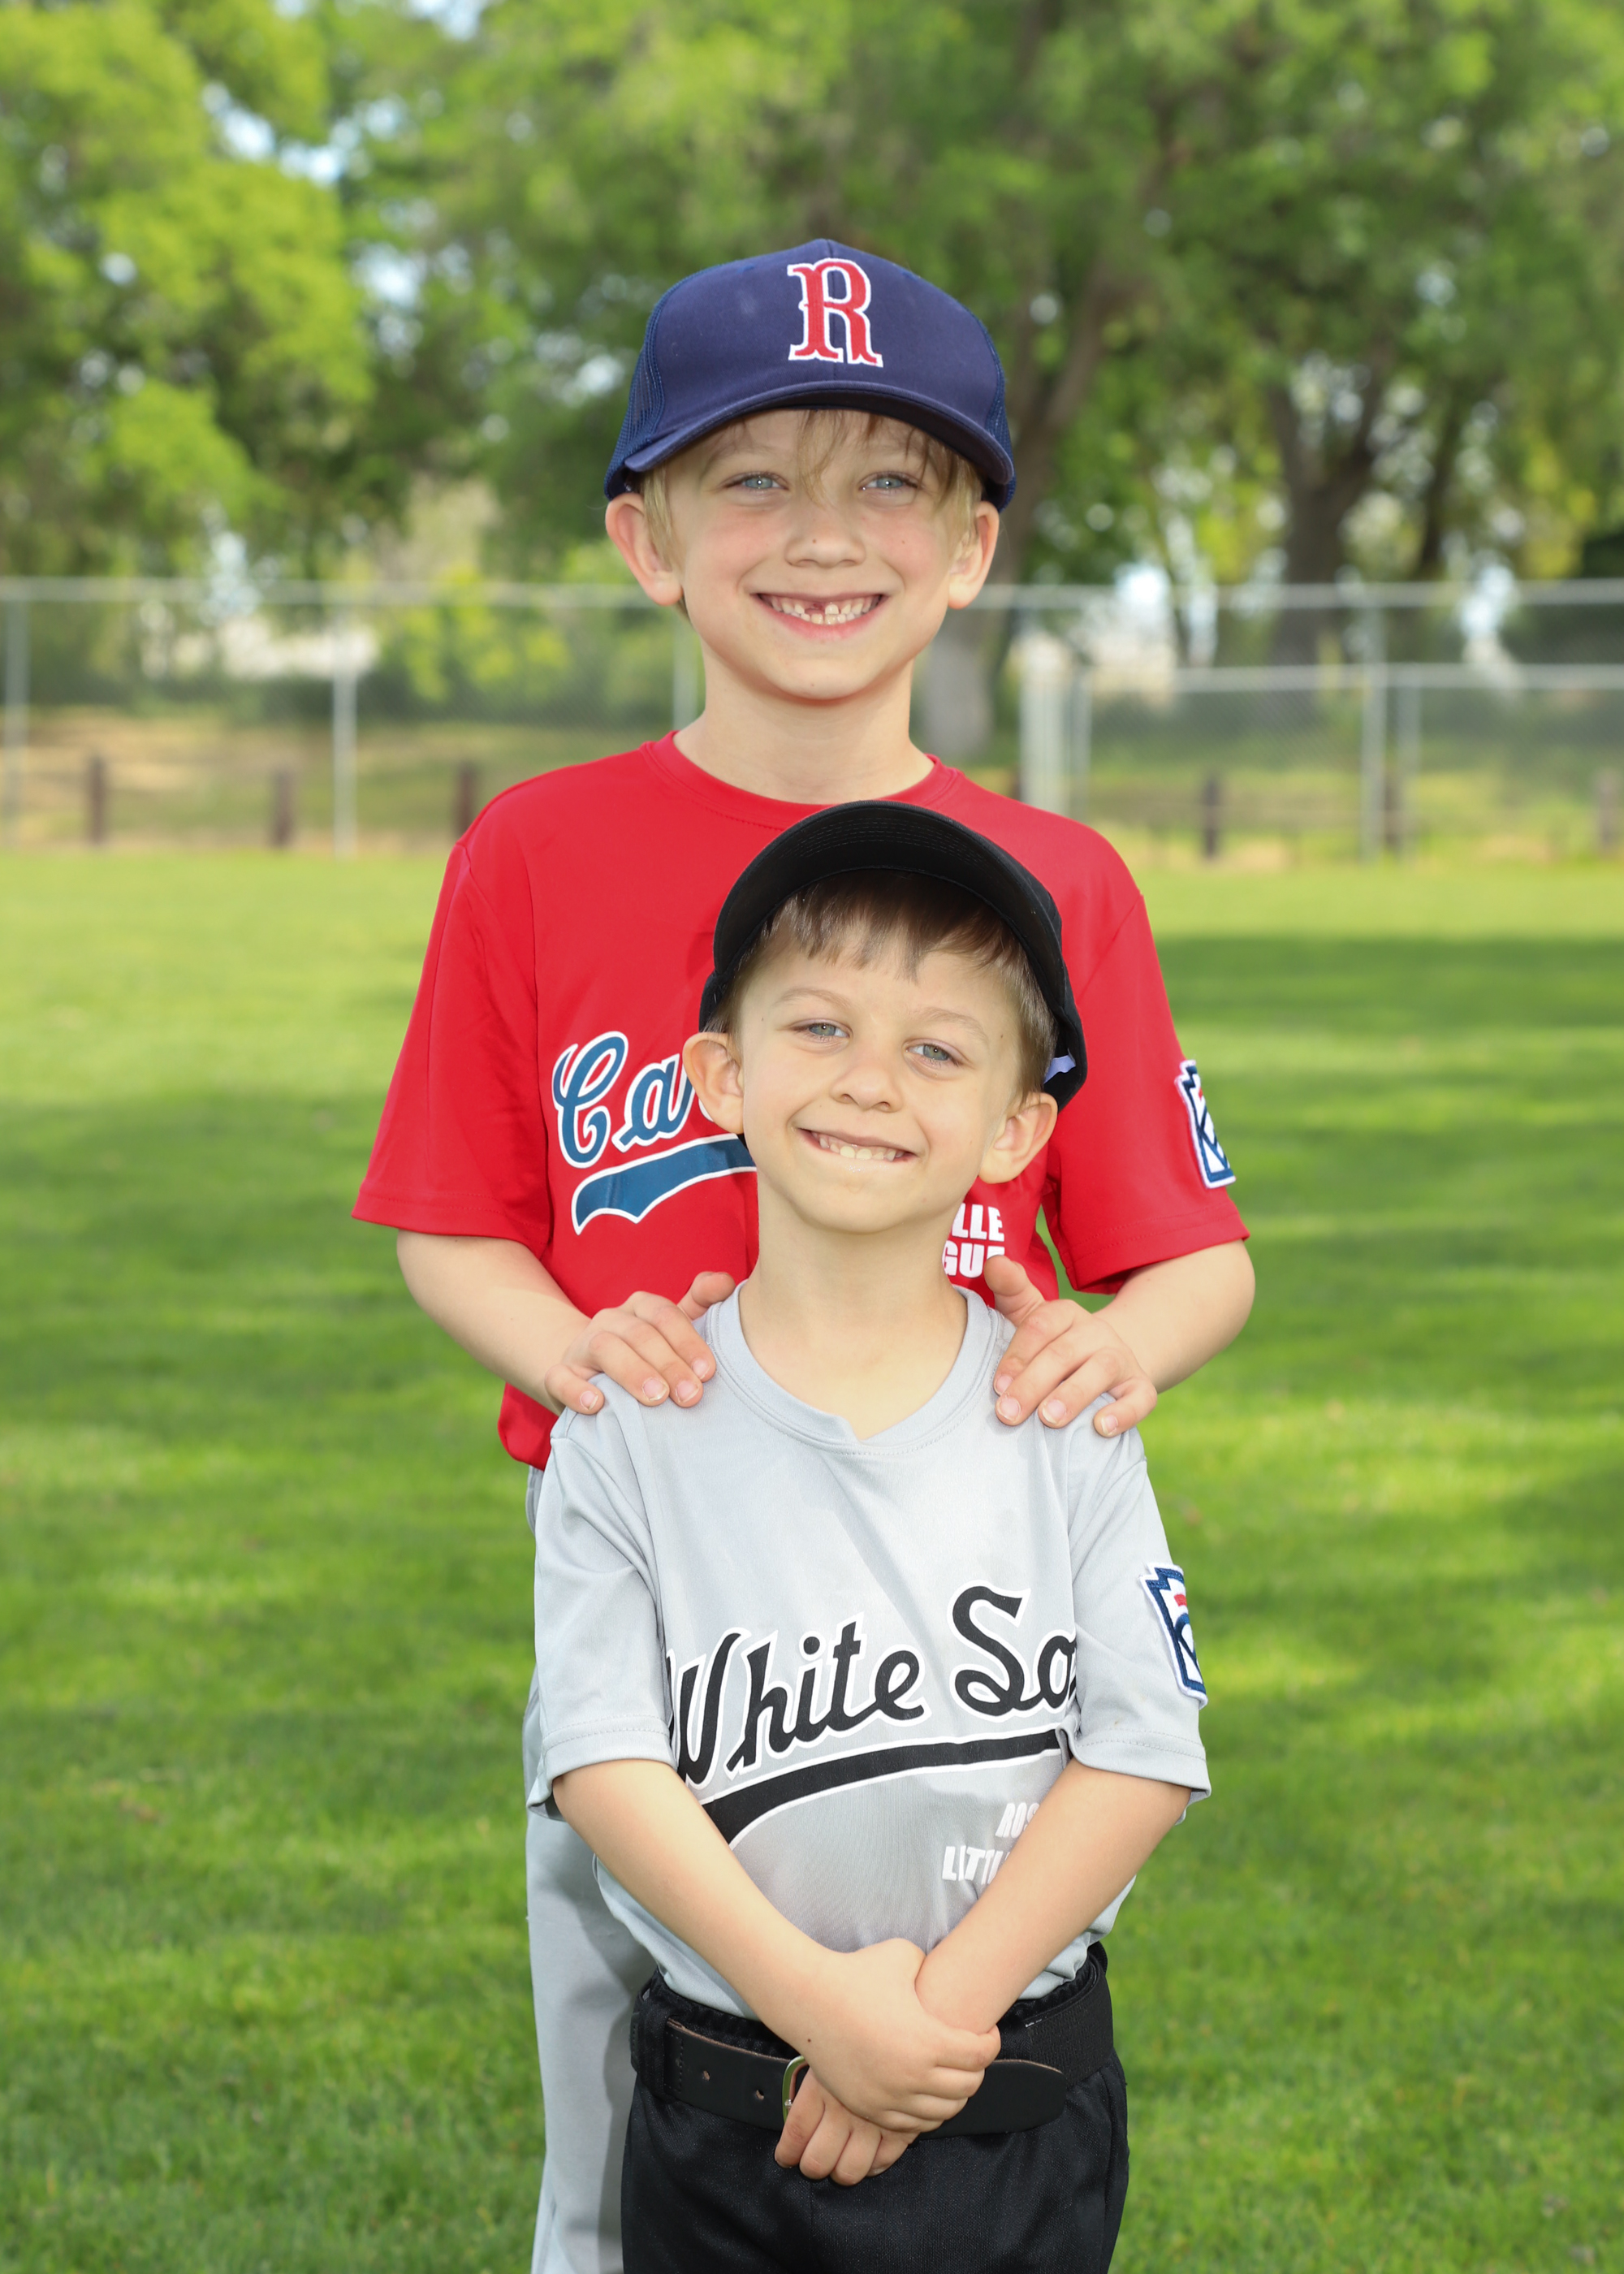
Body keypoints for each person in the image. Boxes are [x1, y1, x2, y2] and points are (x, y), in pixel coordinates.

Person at [353, 238, 1251, 2274]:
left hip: (964, 1569)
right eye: (752, 478)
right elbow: (455, 1220)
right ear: (646, 539)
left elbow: (1191, 1258)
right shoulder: (535, 848)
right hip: (654, 1555)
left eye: (889, 483)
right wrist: (591, 1358)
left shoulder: (1061, 877)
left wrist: (1102, 1355)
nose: (823, 533)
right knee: (618, 2124)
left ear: (971, 549)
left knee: (973, 2044)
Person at [532, 803, 1212, 2274]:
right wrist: (821, 2011)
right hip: (728, 2110)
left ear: (1016, 1130)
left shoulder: (1062, 1408)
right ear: (722, 1075)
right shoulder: (629, 1419)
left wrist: (929, 2021)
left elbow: (1144, 1751)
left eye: (939, 1051)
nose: (870, 1082)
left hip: (1012, 2101)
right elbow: (601, 1762)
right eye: (821, 1026)